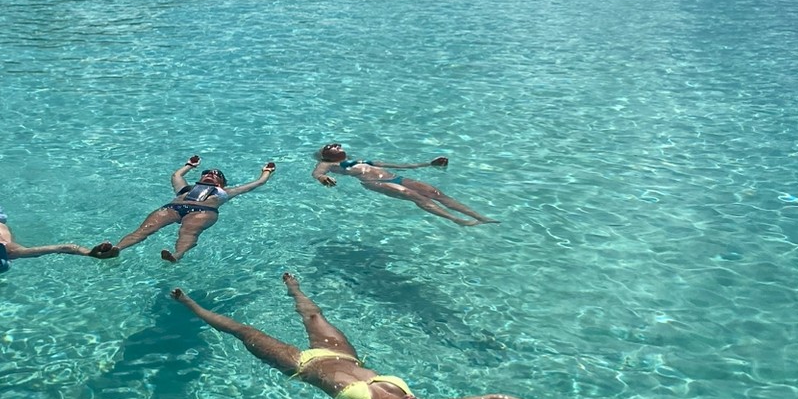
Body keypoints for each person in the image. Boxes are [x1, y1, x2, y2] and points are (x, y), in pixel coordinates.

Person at [171, 273, 590, 399]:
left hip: (300, 365)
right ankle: (293, 286)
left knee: (243, 331)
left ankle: (191, 306)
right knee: (313, 312)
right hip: (344, 356)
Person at [90, 155, 276, 263]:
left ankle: (177, 255)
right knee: (144, 230)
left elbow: (256, 184)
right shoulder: (185, 189)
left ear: (222, 182)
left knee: (188, 232)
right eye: (207, 173)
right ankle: (116, 248)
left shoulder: (225, 192)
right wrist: (189, 165)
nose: (211, 175)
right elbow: (176, 175)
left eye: (216, 175)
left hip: (203, 211)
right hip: (173, 207)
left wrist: (265, 172)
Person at [312, 142, 496, 226]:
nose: (336, 146)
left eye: (337, 144)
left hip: (395, 177)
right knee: (413, 196)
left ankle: (480, 217)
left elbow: (396, 165)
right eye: (330, 147)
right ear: (325, 155)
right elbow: (317, 173)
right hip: (374, 183)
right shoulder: (328, 164)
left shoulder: (361, 160)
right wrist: (322, 179)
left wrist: (428, 164)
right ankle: (457, 220)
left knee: (436, 193)